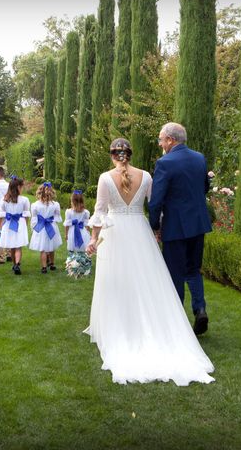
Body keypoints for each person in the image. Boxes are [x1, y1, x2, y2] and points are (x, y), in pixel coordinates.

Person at [85, 138, 214, 386]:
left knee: (117, 281)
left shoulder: (104, 178)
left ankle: (121, 328)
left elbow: (100, 211)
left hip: (115, 234)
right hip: (140, 231)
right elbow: (157, 205)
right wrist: (156, 230)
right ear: (129, 154)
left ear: (112, 155)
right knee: (145, 280)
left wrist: (93, 238)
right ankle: (149, 325)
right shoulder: (145, 176)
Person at [148, 122, 213, 335]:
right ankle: (200, 309)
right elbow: (204, 187)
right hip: (198, 224)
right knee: (193, 270)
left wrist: (154, 225)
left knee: (174, 273)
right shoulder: (199, 158)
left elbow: (156, 200)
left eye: (161, 139)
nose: (160, 144)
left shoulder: (164, 163)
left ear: (170, 140)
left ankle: (178, 322)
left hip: (175, 227)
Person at [0, 177, 30, 275]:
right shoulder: (24, 200)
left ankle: (14, 264)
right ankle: (16, 265)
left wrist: (0, 226)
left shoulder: (4, 200)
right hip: (20, 223)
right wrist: (26, 224)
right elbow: (26, 214)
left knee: (12, 246)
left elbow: (1, 214)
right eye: (22, 187)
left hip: (8, 224)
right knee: (18, 246)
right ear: (18, 187)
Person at [29, 182, 63, 273]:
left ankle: (44, 267)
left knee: (43, 248)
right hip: (51, 226)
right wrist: (52, 218)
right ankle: (52, 264)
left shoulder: (35, 205)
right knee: (52, 246)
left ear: (39, 192)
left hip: (41, 227)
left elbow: (34, 218)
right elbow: (57, 216)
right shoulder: (55, 204)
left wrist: (33, 228)